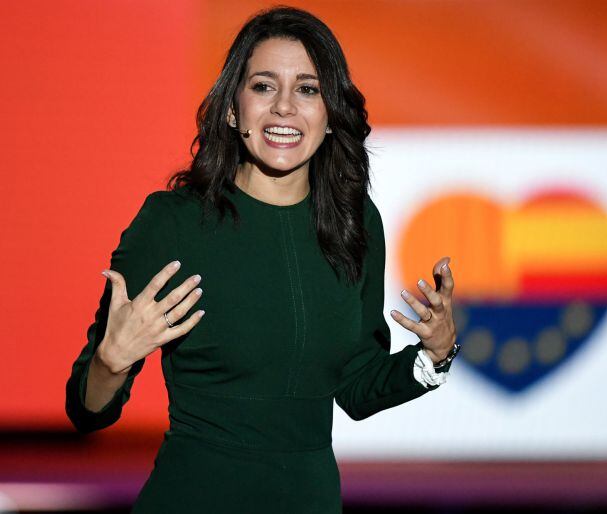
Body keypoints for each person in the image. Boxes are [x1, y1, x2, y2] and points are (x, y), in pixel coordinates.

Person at [65, 5, 460, 513]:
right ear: (233, 109)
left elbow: (357, 388)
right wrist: (109, 361)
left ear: (331, 115)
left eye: (308, 89)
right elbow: (87, 409)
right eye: (264, 86)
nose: (284, 108)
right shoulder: (173, 223)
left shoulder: (356, 222)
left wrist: (435, 356)